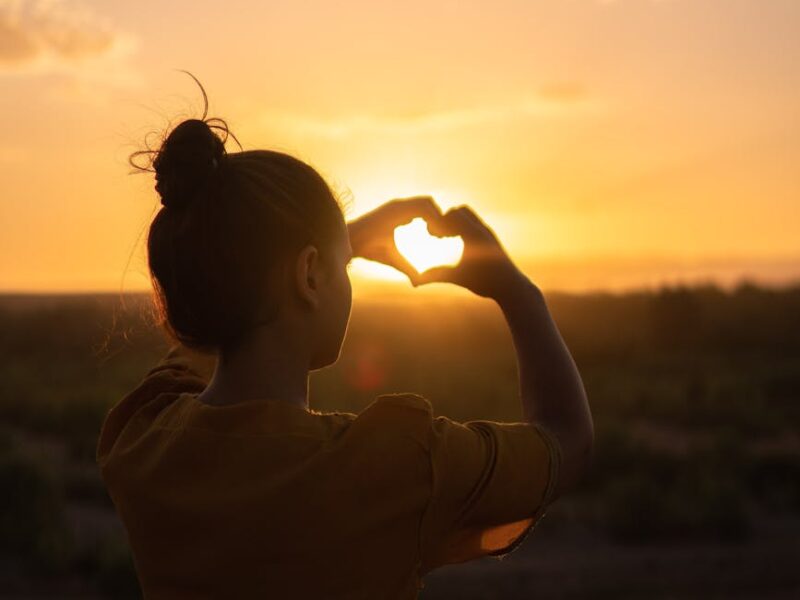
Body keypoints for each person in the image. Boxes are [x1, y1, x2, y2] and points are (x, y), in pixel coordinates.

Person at [96, 98, 594, 599]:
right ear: (309, 274)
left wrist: (329, 244)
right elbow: (567, 440)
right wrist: (517, 292)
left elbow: (218, 325)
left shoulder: (141, 440)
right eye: (344, 265)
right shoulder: (396, 469)